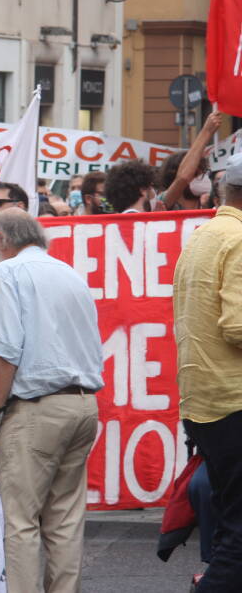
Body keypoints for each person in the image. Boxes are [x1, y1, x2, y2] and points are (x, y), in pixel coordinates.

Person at [0, 209, 104, 593]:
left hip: (37, 409)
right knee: (64, 521)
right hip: (81, 405)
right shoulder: (69, 273)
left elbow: (6, 348)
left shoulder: (8, 272)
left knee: (21, 522)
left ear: (1, 241)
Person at [171, 152, 242, 591]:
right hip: (234, 401)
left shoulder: (201, 236)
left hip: (204, 402)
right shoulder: (238, 240)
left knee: (227, 521)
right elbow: (237, 326)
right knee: (238, 532)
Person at [159, 112, 222, 210]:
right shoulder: (162, 205)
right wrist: (207, 131)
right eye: (196, 174)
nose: (203, 178)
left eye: (203, 173)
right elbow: (183, 178)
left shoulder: (213, 206)